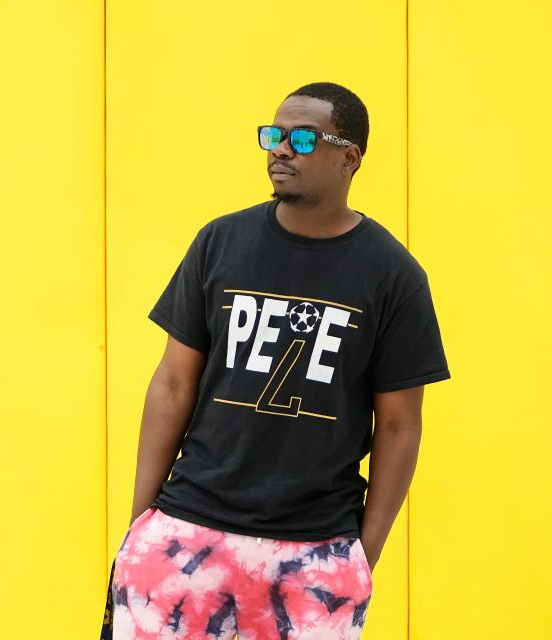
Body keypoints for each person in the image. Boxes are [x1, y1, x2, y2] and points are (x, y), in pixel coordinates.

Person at [100, 81, 450, 640]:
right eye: (274, 135)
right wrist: (140, 527)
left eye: (304, 138)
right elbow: (171, 385)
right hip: (186, 533)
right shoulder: (219, 242)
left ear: (350, 157)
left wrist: (364, 556)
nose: (281, 149)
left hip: (314, 551)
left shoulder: (394, 275)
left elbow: (400, 423)